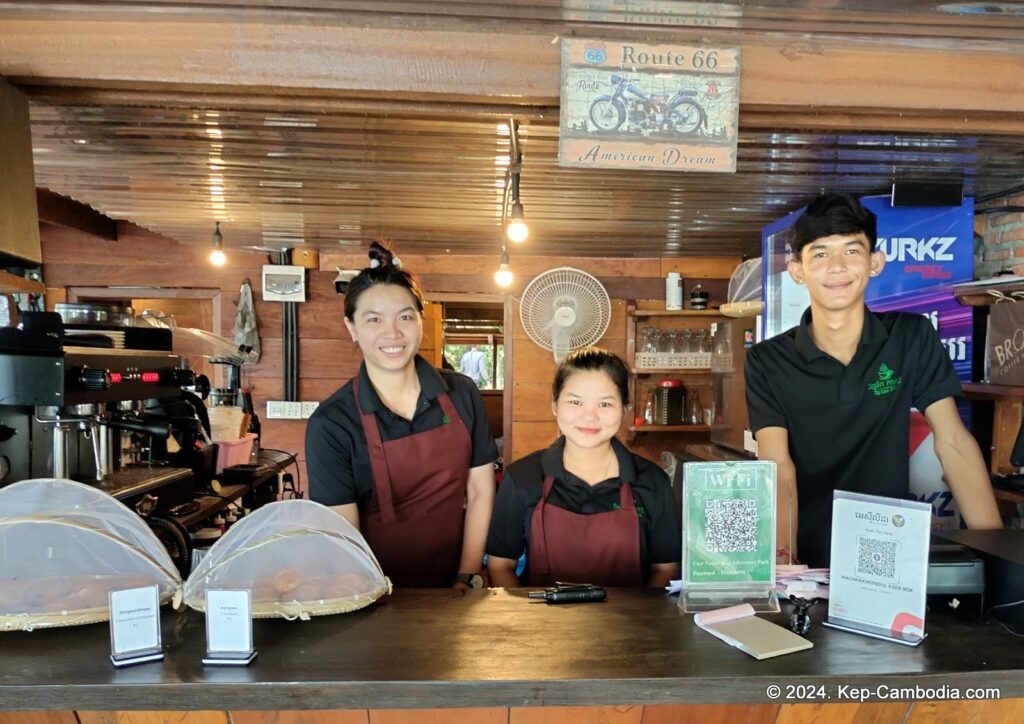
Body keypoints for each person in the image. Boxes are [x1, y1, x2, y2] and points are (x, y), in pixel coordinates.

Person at [745, 193, 1002, 569]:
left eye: (852, 251)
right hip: (806, 552)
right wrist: (785, 564)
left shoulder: (910, 337)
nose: (837, 267)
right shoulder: (767, 360)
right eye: (820, 254)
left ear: (875, 262)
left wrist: (995, 557)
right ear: (797, 269)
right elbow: (777, 465)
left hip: (889, 549)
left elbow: (953, 442)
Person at [306, 241, 498, 589]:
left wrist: (466, 575)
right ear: (351, 327)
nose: (392, 333)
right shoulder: (332, 424)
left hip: (455, 583)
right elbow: (344, 533)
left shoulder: (462, 394)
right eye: (374, 319)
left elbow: (481, 490)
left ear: (420, 319)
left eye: (405, 317)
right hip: (373, 591)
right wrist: (372, 596)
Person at [486, 347, 680, 588]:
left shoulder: (652, 481)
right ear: (555, 405)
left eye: (605, 404)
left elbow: (665, 568)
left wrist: (642, 621)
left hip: (631, 623)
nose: (590, 417)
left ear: (625, 408)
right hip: (542, 623)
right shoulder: (522, 478)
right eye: (575, 401)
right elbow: (500, 565)